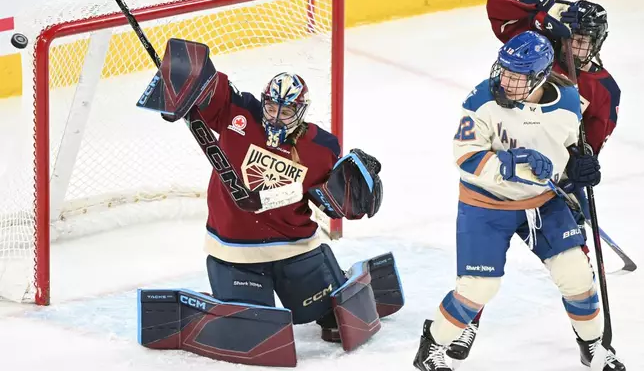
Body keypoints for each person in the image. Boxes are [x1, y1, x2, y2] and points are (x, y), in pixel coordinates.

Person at [135, 44, 404, 367]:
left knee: (327, 315)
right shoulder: (239, 111)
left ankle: (340, 283)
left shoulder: (322, 147)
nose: (275, 116)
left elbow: (322, 198)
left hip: (295, 248)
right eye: (271, 107)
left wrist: (342, 200)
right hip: (233, 250)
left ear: (300, 111)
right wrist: (178, 88)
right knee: (252, 325)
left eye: (286, 111)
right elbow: (204, 85)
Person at [412, 31, 617, 371]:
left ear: (539, 76)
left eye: (516, 76)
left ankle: (592, 347)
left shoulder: (568, 101)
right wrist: (509, 163)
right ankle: (431, 347)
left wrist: (579, 166)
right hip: (486, 204)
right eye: (503, 70)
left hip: (543, 203)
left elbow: (568, 150)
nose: (505, 80)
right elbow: (465, 156)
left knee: (577, 276)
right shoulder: (482, 100)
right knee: (479, 288)